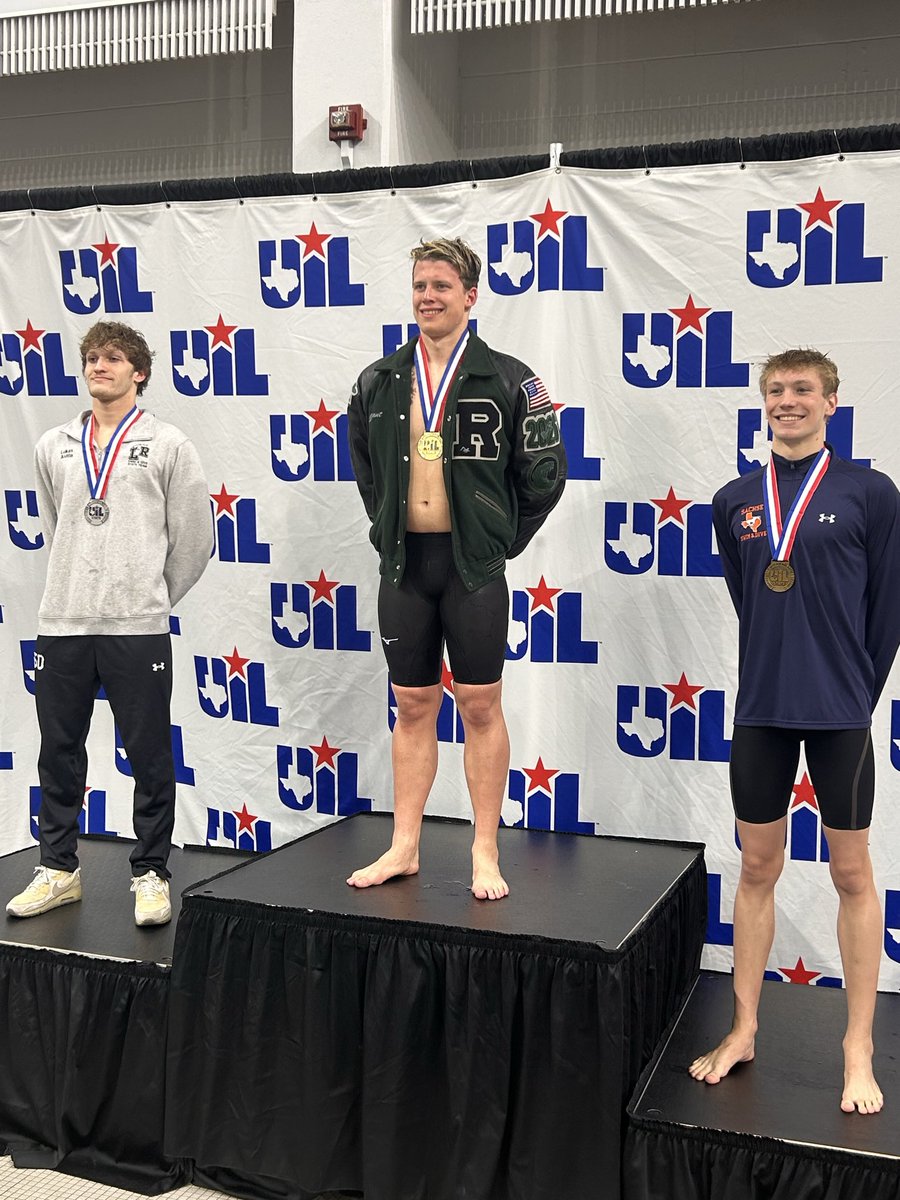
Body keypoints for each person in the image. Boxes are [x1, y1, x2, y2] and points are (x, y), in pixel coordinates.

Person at [690, 348, 900, 1114]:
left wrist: (855, 693)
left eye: (802, 391)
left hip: (841, 714)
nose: (787, 401)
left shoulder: (870, 493)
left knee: (852, 875)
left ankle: (857, 1047)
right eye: (776, 391)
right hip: (761, 713)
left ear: (831, 402)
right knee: (755, 869)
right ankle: (744, 1028)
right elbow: (753, 598)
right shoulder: (735, 500)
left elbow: (888, 611)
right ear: (763, 402)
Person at [346, 237, 566, 900]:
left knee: (478, 703)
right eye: (420, 285)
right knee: (412, 703)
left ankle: (484, 850)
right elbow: (366, 470)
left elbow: (546, 475)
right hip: (407, 567)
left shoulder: (511, 377)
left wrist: (498, 542)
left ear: (470, 296)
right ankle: (405, 844)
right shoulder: (378, 380)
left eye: (442, 286)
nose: (428, 297)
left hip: (472, 568)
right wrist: (389, 529)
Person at [7, 321, 212, 927]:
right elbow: (59, 523)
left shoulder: (169, 444)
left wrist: (148, 597)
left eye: (114, 358)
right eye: (92, 357)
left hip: (137, 626)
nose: (100, 366)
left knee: (148, 752)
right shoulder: (55, 444)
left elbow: (195, 540)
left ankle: (151, 873)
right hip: (64, 621)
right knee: (58, 752)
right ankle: (58, 869)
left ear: (139, 372)